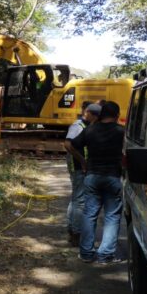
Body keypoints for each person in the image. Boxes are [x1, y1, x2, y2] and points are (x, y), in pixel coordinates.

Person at [68, 101, 125, 264]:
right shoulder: (121, 131)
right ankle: (105, 255)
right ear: (117, 115)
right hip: (113, 177)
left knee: (89, 214)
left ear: (100, 115)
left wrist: (83, 162)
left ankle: (86, 254)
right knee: (112, 217)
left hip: (92, 177)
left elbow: (70, 145)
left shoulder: (90, 130)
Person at [63, 102, 101, 247]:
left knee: (75, 199)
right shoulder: (77, 126)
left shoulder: (86, 126)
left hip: (81, 167)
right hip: (79, 167)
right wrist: (83, 161)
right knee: (79, 201)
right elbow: (68, 144)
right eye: (96, 116)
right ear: (88, 113)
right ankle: (76, 234)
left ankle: (73, 230)